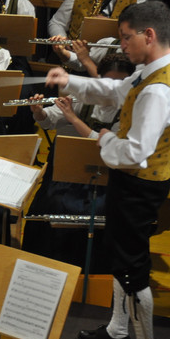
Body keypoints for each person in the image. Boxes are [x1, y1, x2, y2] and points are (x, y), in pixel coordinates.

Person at [46, 0, 170, 339]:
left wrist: (103, 137)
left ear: (149, 35)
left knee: (132, 270)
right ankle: (116, 331)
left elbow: (135, 153)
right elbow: (114, 91)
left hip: (139, 186)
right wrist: (70, 81)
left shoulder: (159, 91)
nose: (121, 45)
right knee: (120, 258)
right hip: (134, 183)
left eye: (126, 38)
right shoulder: (159, 69)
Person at [22, 53, 135, 271]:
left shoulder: (131, 110)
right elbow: (50, 120)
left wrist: (74, 119)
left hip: (107, 178)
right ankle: (48, 267)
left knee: (95, 209)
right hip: (71, 171)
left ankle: (87, 270)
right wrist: (39, 112)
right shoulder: (86, 96)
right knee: (51, 203)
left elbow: (107, 145)